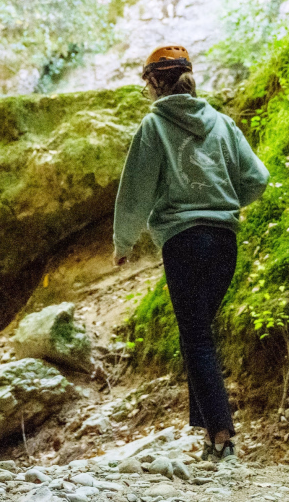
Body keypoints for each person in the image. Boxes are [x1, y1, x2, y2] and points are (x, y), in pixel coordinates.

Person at [113, 45, 270, 461]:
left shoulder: (154, 127)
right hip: (224, 242)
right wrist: (225, 201)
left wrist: (123, 242)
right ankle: (209, 438)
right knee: (197, 333)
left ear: (153, 83)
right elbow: (257, 177)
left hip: (184, 242)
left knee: (196, 336)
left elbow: (135, 190)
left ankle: (222, 437)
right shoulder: (221, 123)